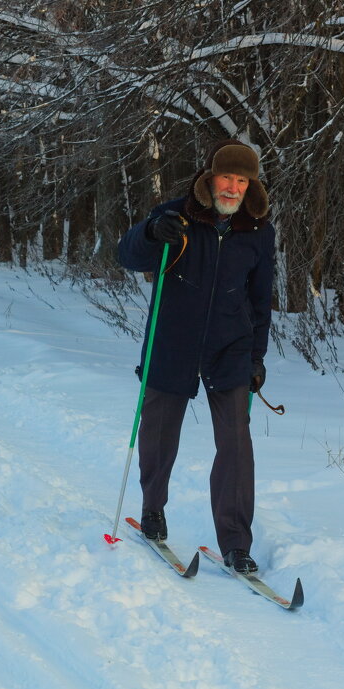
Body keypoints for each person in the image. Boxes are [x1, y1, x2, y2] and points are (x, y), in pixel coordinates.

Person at [117, 139, 275, 574]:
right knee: (159, 430)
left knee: (236, 445)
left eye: (242, 181)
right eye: (226, 177)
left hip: (231, 348)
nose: (232, 188)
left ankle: (236, 544)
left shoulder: (258, 230)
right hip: (174, 339)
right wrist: (151, 232)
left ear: (250, 186)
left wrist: (257, 358)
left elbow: (261, 301)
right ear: (210, 177)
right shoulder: (177, 214)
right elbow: (126, 254)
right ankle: (152, 510)